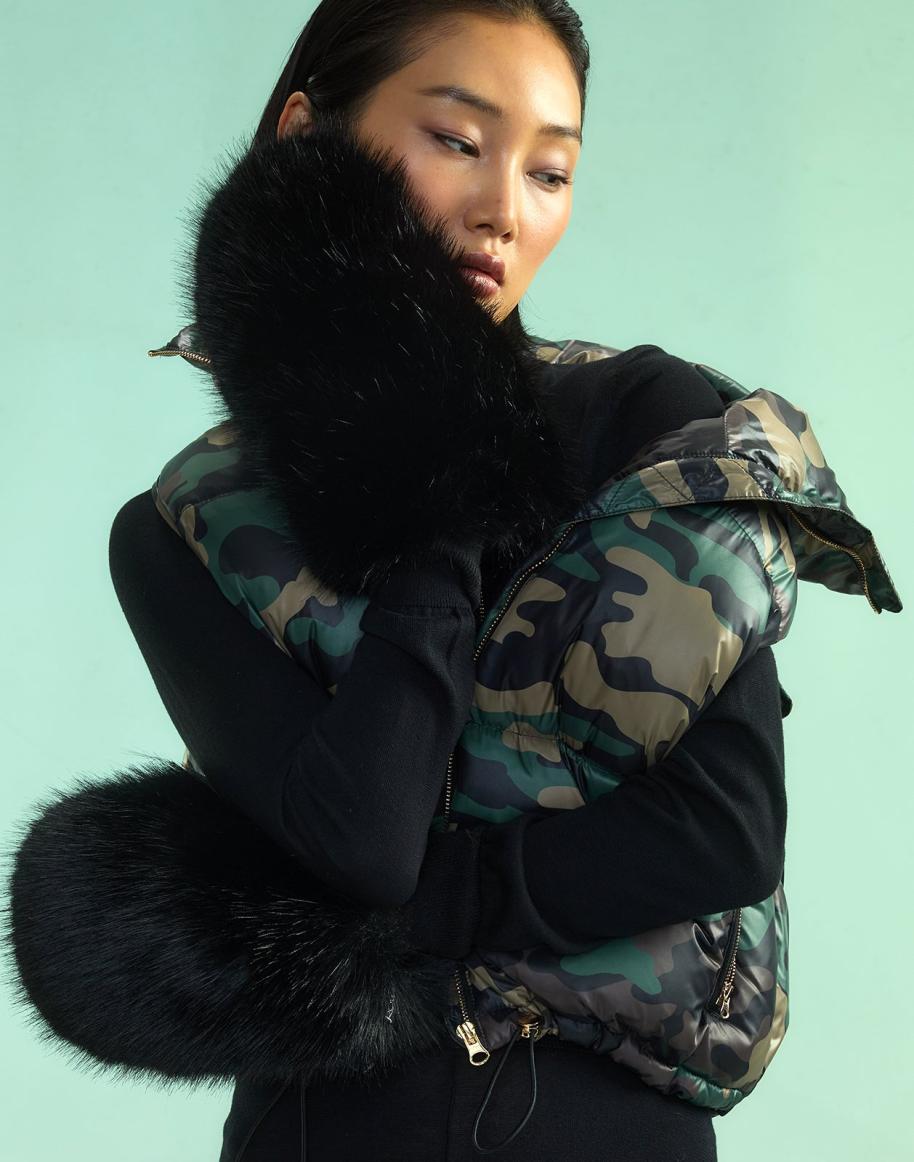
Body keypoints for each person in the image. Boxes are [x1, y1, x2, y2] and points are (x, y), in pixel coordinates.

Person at [7, 3, 900, 1161]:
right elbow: (364, 838)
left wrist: (397, 923)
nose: (501, 209)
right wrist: (421, 475)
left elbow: (717, 832)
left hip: (602, 1129)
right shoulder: (181, 530)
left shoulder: (648, 425)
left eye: (549, 171)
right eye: (458, 140)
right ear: (305, 139)